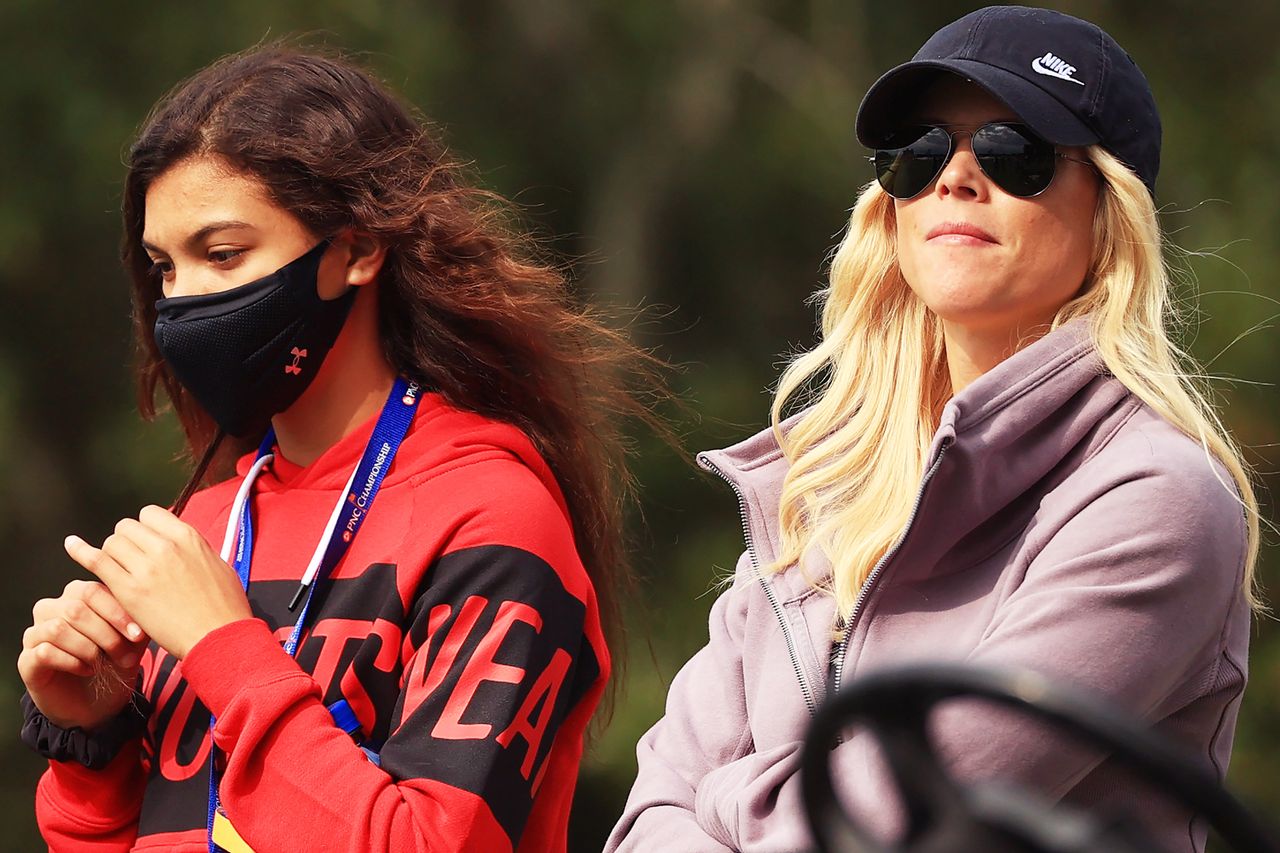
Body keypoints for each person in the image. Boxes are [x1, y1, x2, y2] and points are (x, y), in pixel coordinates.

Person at [607, 6, 1260, 852]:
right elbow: (650, 810)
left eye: (1013, 151)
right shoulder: (820, 486)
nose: (954, 177)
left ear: (1111, 211)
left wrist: (725, 799)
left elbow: (886, 826)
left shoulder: (1156, 499)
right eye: (917, 151)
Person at [18, 45, 658, 853]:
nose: (181, 302)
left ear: (356, 250)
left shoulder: (490, 516)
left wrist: (222, 648)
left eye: (222, 254)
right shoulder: (206, 530)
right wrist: (92, 742)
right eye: (163, 267)